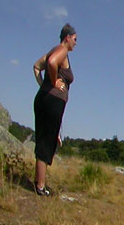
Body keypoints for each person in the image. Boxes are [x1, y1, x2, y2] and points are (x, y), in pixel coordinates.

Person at [32, 23, 77, 196]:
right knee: (45, 142)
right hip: (51, 102)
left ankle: (39, 183)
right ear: (67, 38)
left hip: (45, 100)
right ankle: (40, 187)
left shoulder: (54, 49)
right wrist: (54, 82)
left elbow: (36, 66)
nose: (75, 43)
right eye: (74, 39)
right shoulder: (62, 50)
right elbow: (51, 63)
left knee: (45, 138)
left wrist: (44, 86)